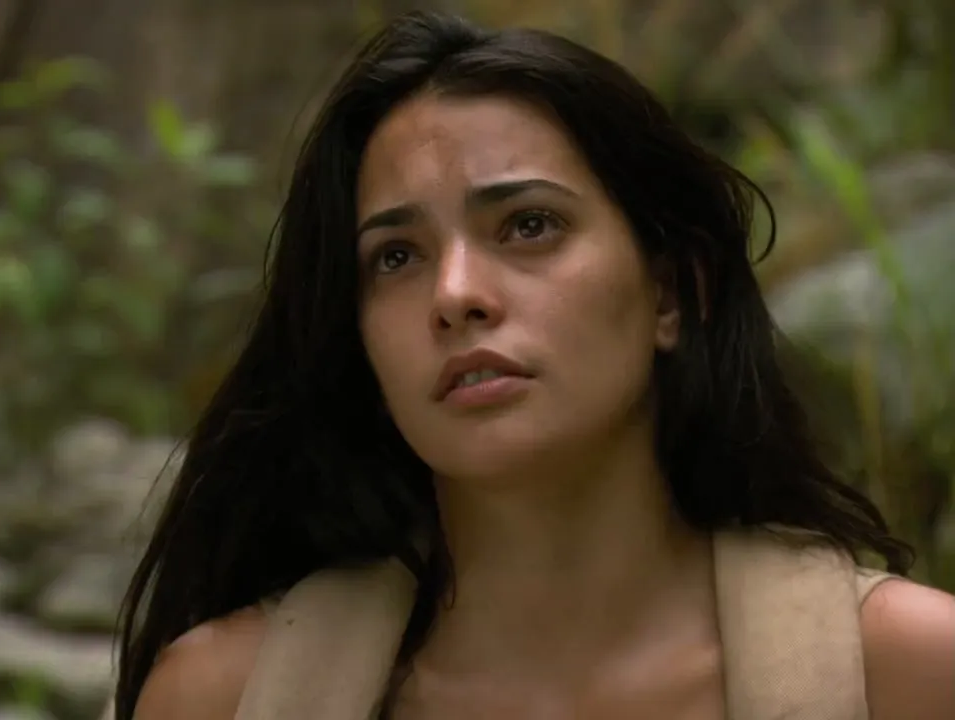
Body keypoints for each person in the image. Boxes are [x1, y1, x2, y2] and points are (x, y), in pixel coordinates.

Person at [112, 10, 955, 720]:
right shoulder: (227, 696)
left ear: (672, 292)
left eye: (528, 226)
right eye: (396, 257)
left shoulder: (908, 672)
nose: (455, 294)